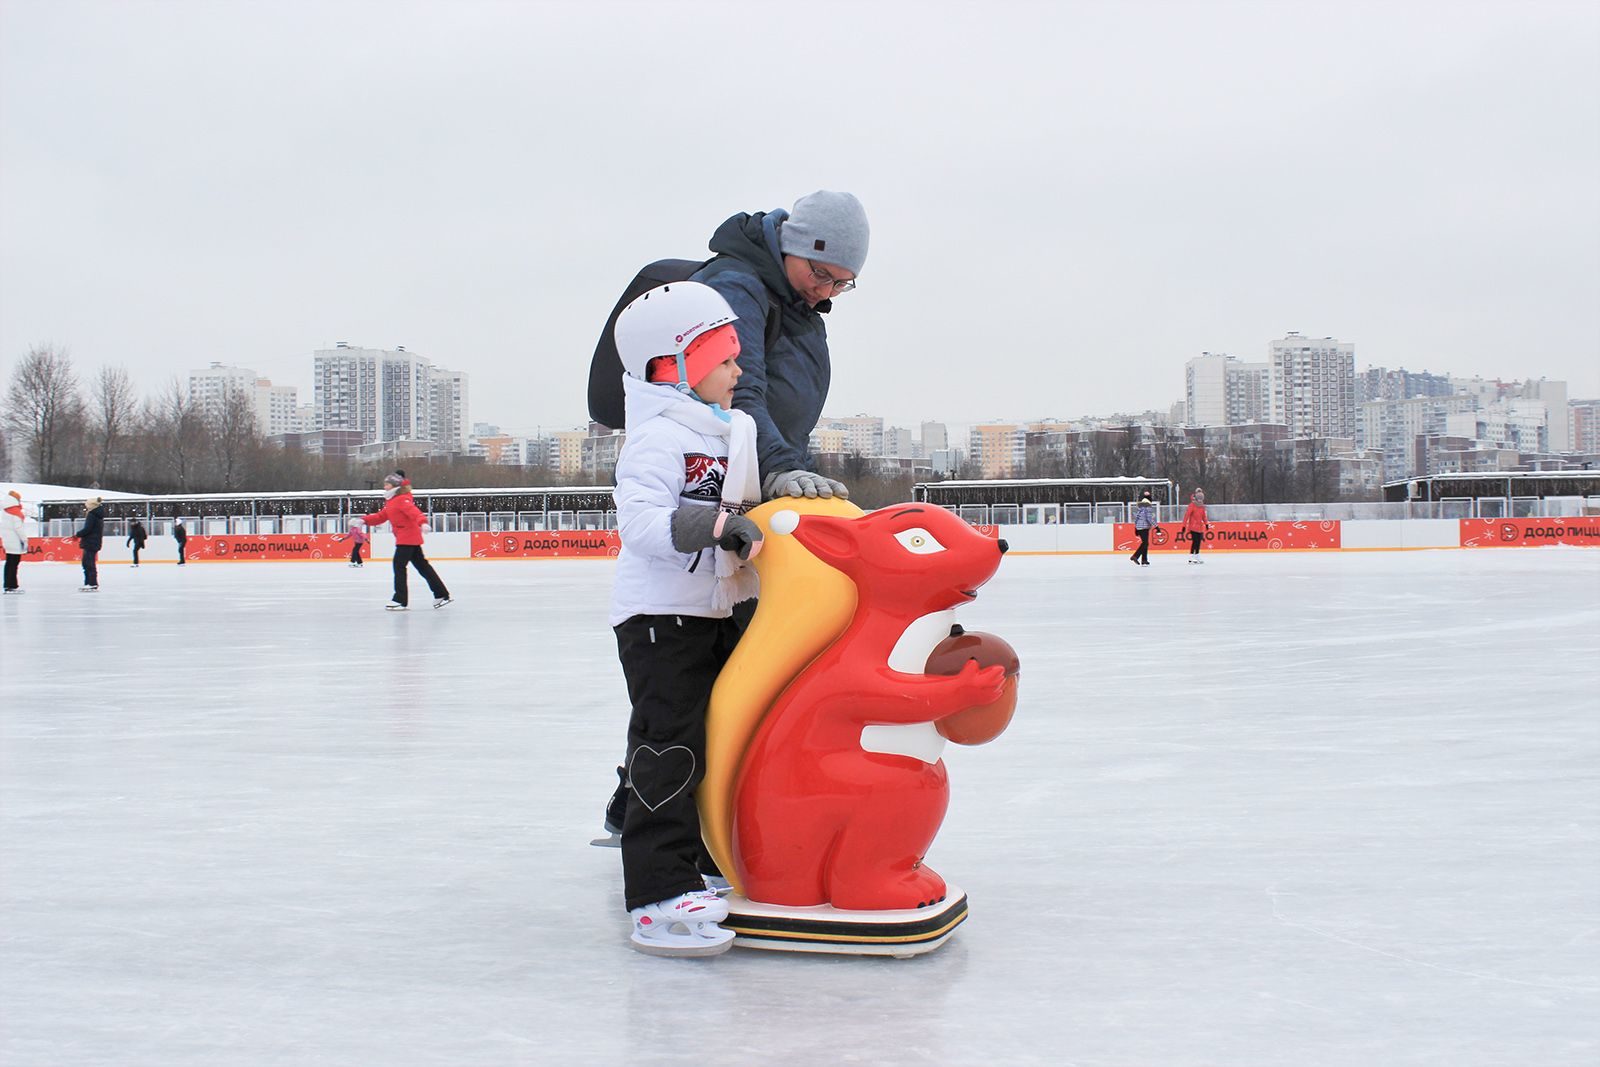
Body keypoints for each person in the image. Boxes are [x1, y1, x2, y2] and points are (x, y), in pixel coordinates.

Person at [607, 281, 764, 956]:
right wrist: (720, 525)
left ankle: (699, 855)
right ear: (673, 366)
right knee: (669, 749)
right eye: (723, 357)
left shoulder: (729, 433)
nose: (738, 369)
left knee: (717, 739)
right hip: (658, 618)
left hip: (712, 610)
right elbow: (641, 522)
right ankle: (656, 893)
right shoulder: (657, 438)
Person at [691, 190, 868, 502]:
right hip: (709, 490)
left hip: (758, 479)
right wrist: (780, 468)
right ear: (791, 246)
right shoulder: (736, 289)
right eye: (820, 272)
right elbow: (736, 394)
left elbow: (788, 425)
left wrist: (802, 472)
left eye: (841, 283)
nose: (825, 291)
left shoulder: (795, 307)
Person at [362, 471, 451, 611]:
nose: (384, 486)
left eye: (387, 484)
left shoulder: (401, 500)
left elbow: (414, 512)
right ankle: (442, 594)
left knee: (399, 565)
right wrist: (362, 520)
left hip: (407, 538)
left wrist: (423, 523)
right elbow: (380, 517)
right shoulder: (392, 501)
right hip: (408, 537)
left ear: (394, 486)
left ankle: (400, 599)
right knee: (423, 566)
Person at [74, 496, 105, 591]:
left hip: (90, 542)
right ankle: (89, 583)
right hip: (94, 542)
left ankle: (92, 583)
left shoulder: (92, 515)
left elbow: (88, 529)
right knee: (88, 563)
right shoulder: (98, 515)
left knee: (88, 563)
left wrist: (77, 535)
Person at [2, 489, 29, 594]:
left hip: (8, 541)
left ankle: (8, 585)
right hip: (14, 541)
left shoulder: (5, 512)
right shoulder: (15, 512)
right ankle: (11, 585)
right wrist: (24, 539)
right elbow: (18, 528)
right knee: (13, 564)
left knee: (9, 563)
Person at [1182, 489, 1211, 563]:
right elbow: (1187, 516)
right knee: (1195, 541)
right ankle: (1191, 557)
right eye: (1199, 499)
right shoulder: (1192, 505)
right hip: (1193, 527)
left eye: (1202, 499)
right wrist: (1184, 526)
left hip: (1200, 527)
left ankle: (1197, 556)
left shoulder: (1202, 506)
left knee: (1198, 542)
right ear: (1197, 498)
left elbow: (1204, 516)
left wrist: (1206, 524)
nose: (1200, 500)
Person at [1130, 491, 1155, 566]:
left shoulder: (1140, 509)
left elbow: (1136, 519)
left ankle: (1144, 560)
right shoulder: (1148, 508)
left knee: (1145, 543)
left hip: (1140, 527)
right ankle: (1135, 556)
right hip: (1144, 527)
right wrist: (1157, 527)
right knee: (1145, 543)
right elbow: (1149, 518)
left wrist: (1136, 528)